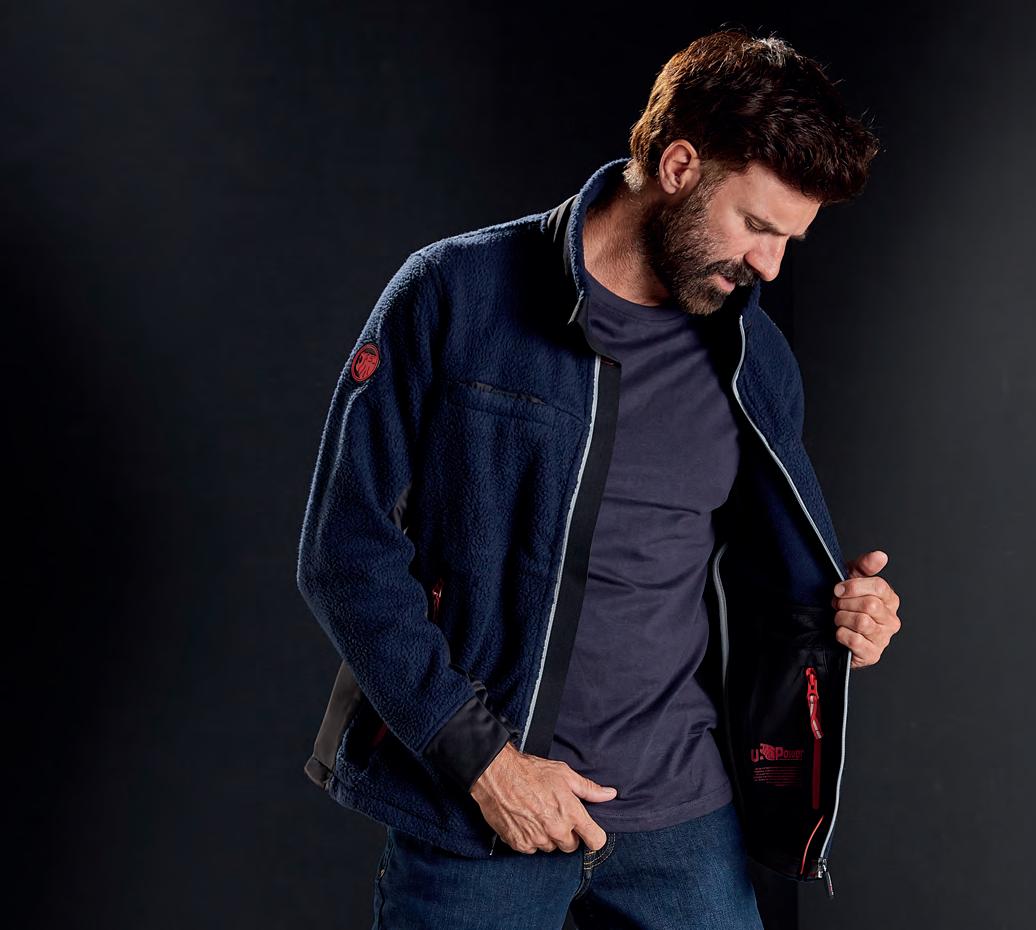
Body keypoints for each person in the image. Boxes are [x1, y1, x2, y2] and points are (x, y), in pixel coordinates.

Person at [296, 27, 902, 929]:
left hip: (686, 828)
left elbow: (771, 581)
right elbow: (344, 552)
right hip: (485, 818)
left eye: (791, 240)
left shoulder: (753, 353)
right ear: (680, 166)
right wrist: (483, 764)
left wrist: (845, 617)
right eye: (758, 226)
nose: (770, 266)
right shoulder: (455, 293)